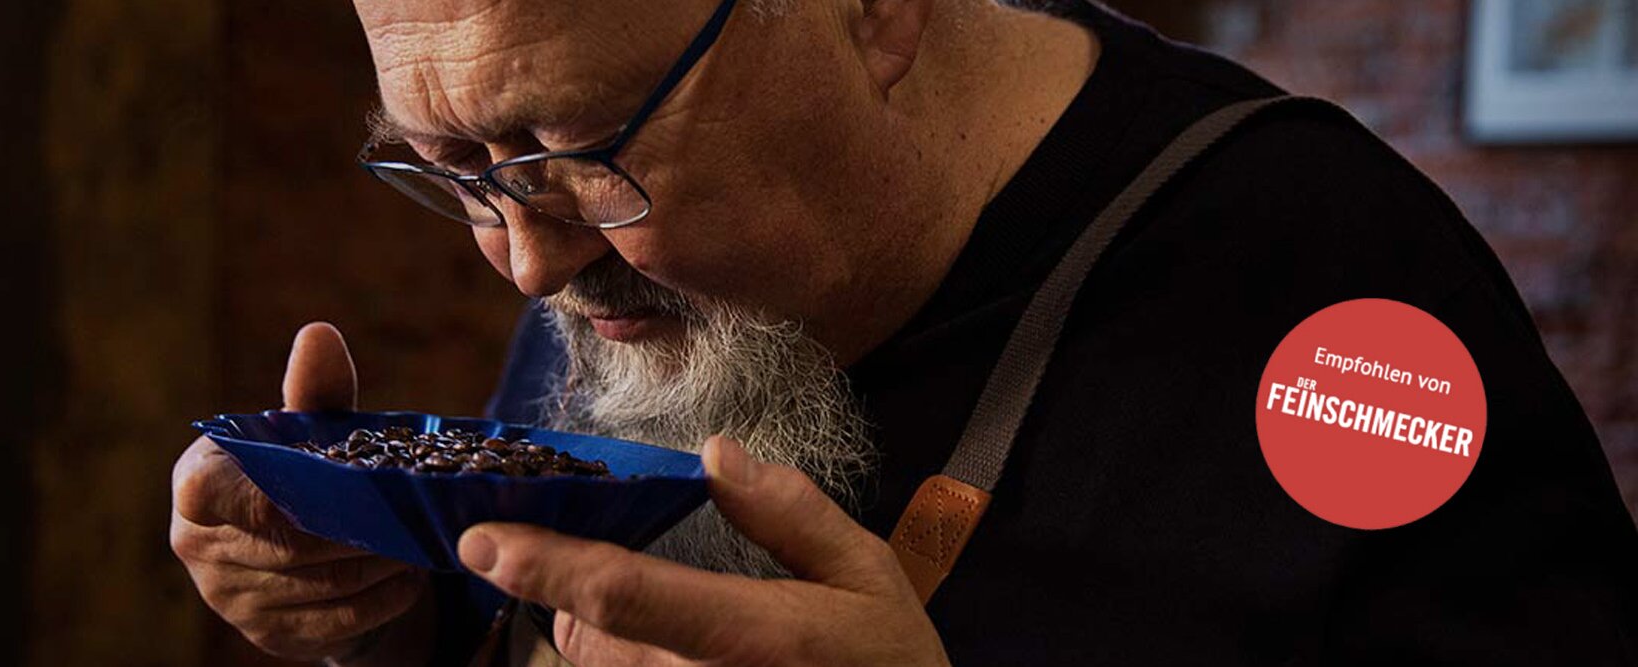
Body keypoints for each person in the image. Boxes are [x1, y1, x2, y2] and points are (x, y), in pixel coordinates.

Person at [171, 0, 1638, 664]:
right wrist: (399, 621)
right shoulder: (602, 259)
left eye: (584, 145)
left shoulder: (1338, 299)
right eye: (459, 172)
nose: (525, 264)